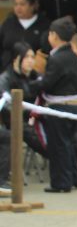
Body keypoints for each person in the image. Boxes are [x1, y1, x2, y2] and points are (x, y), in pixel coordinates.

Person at [33, 18, 77, 192]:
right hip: (75, 105)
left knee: (58, 145)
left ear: (54, 36)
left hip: (59, 106)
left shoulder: (57, 58)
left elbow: (48, 83)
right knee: (70, 143)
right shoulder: (75, 57)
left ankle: (61, 182)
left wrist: (33, 84)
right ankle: (75, 178)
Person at [0, 43, 46, 192]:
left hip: (35, 118)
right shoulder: (5, 78)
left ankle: (72, 166)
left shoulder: (36, 76)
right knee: (19, 133)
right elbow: (6, 107)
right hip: (13, 120)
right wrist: (28, 113)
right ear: (16, 59)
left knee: (58, 125)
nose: (31, 61)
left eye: (32, 57)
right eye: (26, 57)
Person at [0, 0, 50, 68]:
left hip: (34, 70)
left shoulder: (44, 25)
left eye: (22, 4)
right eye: (16, 4)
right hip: (7, 69)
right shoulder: (8, 23)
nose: (18, 7)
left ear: (33, 5)